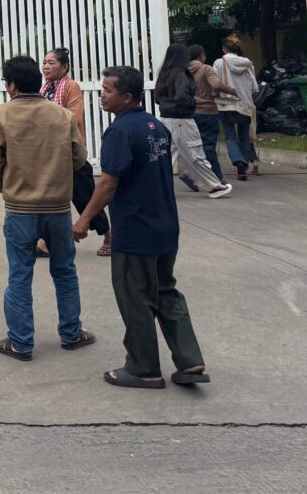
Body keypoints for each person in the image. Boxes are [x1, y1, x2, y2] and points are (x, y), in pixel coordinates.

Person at [74, 66, 210, 389]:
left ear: (127, 97)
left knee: (135, 297)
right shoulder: (156, 127)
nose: (102, 95)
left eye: (108, 90)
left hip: (135, 231)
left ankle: (142, 368)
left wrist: (84, 218)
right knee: (165, 291)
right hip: (165, 228)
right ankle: (190, 361)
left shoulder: (120, 132)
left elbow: (108, 183)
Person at [0, 55, 95, 360]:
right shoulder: (62, 116)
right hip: (59, 208)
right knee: (65, 272)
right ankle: (72, 333)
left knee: (20, 275)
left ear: (11, 84)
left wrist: (8, 188)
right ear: (37, 79)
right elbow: (79, 157)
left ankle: (21, 342)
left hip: (20, 209)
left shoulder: (0, 116)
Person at [39, 48, 110, 258]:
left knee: (84, 196)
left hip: (70, 152)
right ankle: (47, 240)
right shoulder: (46, 89)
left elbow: (74, 117)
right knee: (50, 197)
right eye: (44, 62)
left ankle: (109, 234)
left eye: (51, 63)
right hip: (51, 153)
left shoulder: (70, 87)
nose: (46, 67)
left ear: (65, 67)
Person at [152, 44, 233, 199]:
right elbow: (183, 97)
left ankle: (153, 187)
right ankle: (214, 186)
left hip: (165, 118)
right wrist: (192, 104)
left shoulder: (164, 74)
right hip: (182, 119)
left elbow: (157, 98)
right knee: (195, 154)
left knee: (165, 156)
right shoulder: (181, 74)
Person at [186, 44, 237, 185]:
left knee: (197, 146)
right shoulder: (205, 68)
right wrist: (232, 91)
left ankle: (191, 175)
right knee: (208, 146)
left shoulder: (184, 71)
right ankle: (216, 177)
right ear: (201, 55)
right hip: (208, 112)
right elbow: (216, 84)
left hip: (192, 113)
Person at [214, 36, 261, 181]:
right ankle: (244, 165)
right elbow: (254, 87)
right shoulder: (248, 64)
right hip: (245, 105)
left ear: (224, 49)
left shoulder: (219, 63)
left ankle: (238, 162)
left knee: (229, 136)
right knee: (244, 137)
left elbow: (215, 83)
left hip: (227, 104)